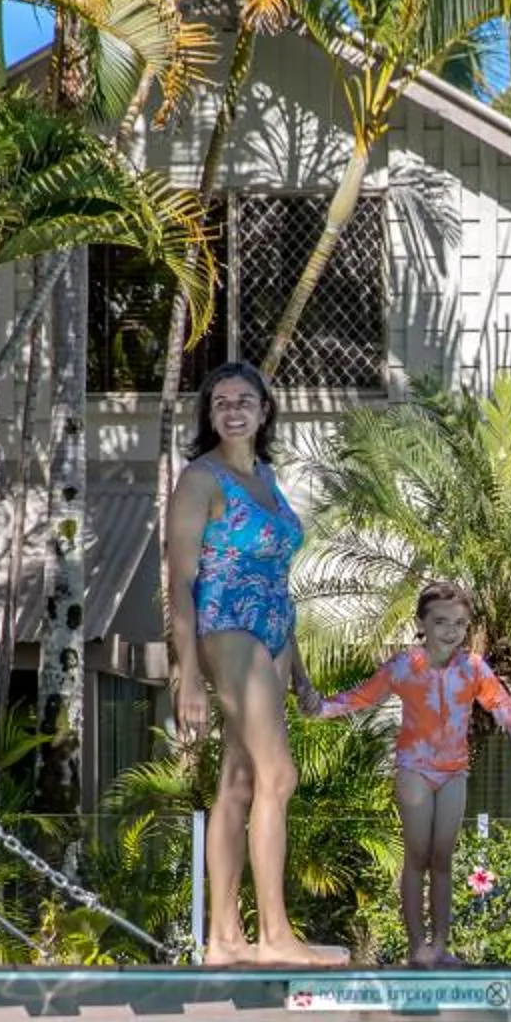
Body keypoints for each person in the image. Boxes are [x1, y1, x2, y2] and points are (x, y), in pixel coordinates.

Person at [162, 360, 346, 968]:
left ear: (265, 410)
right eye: (220, 402)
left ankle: (224, 941)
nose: (233, 410)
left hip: (274, 630)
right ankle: (274, 936)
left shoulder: (265, 475)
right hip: (228, 623)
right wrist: (187, 672)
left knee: (239, 783)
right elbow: (180, 582)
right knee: (279, 776)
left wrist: (299, 673)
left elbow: (278, 576)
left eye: (245, 400)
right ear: (209, 415)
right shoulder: (200, 479)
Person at [312, 581, 511, 967]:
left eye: (459, 622)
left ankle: (440, 946)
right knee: (417, 855)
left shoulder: (472, 668)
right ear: (421, 622)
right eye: (440, 622)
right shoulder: (405, 666)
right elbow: (361, 697)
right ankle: (417, 946)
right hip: (415, 771)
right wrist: (318, 708)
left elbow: (509, 714)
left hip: (453, 772)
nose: (451, 630)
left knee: (443, 858)